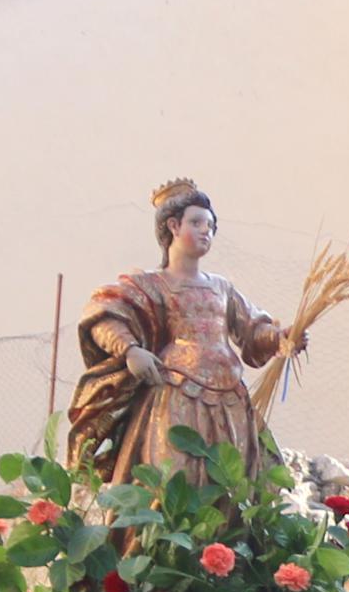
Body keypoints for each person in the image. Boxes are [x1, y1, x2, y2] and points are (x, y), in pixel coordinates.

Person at [61, 175, 287, 481]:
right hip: (174, 394)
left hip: (229, 399)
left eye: (210, 225)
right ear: (173, 227)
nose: (207, 231)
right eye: (197, 223)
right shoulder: (150, 285)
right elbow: (104, 314)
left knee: (233, 479)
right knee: (173, 477)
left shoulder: (222, 288)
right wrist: (130, 350)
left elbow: (251, 330)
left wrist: (280, 338)